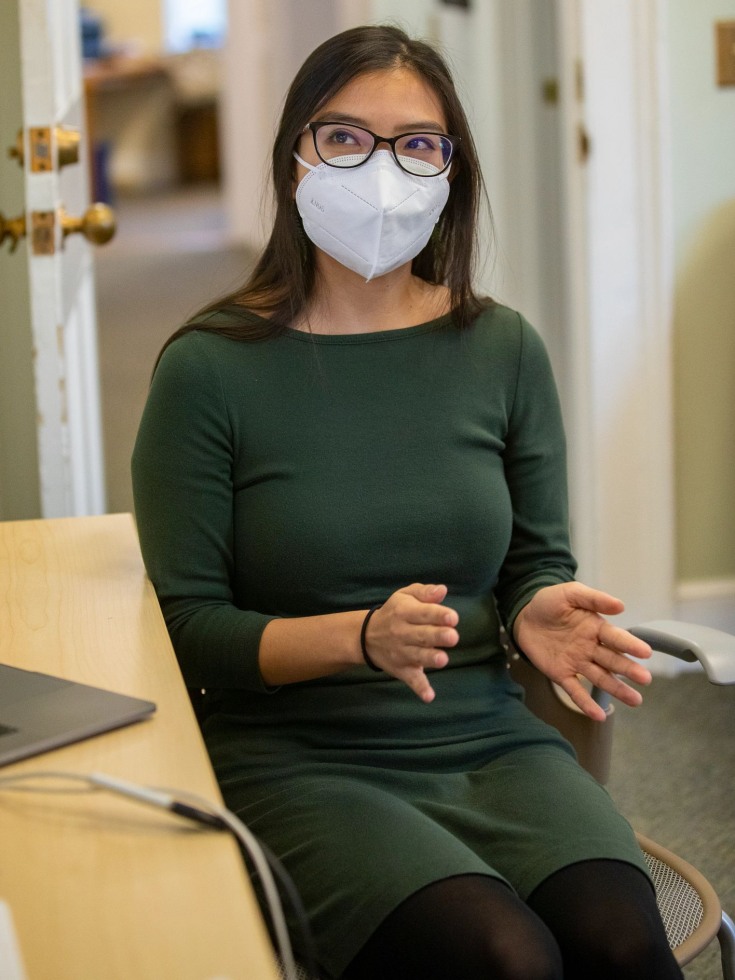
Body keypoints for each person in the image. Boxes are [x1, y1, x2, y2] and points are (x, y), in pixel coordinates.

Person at [132, 24, 683, 980]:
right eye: (344, 137)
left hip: (490, 739)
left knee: (621, 942)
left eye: (416, 144)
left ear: (450, 171)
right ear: (294, 155)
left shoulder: (502, 349)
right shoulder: (208, 369)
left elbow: (535, 564)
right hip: (299, 757)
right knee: (507, 959)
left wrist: (534, 606)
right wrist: (358, 636)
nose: (381, 171)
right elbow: (186, 629)